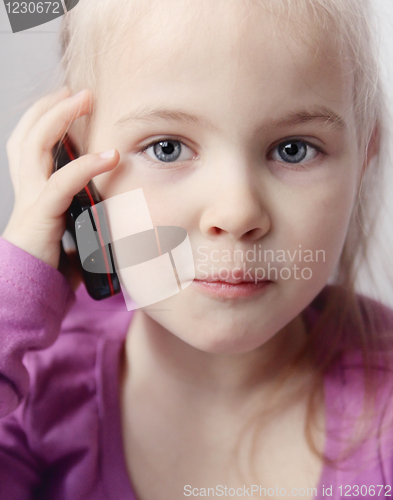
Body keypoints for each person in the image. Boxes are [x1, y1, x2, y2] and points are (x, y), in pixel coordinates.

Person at [1, 0, 393, 498]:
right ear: (75, 169)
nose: (236, 213)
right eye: (167, 147)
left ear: (363, 160)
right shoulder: (32, 395)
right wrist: (13, 296)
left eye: (294, 148)